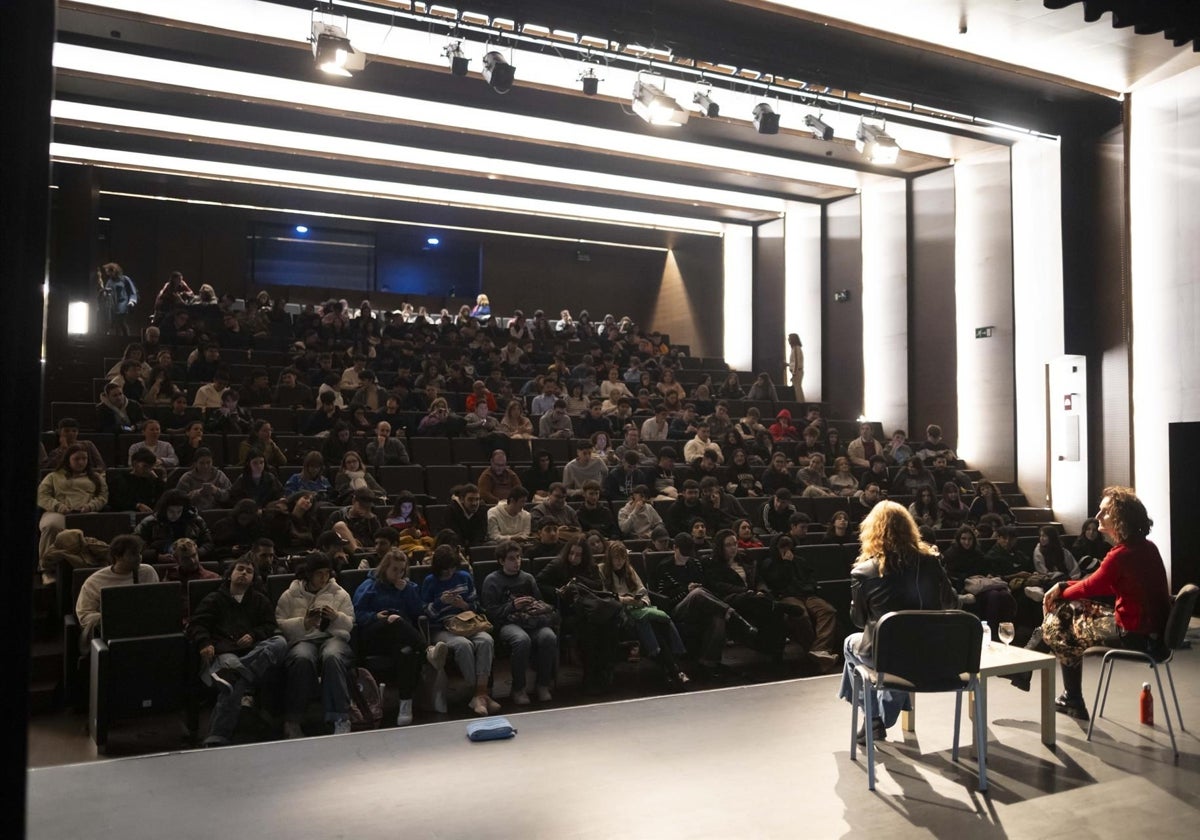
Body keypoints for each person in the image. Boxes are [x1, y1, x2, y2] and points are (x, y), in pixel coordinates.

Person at [1021, 487, 1171, 721]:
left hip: (1134, 633)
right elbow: (1104, 583)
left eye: (1105, 512)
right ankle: (1059, 685)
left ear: (1121, 517)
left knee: (1061, 624)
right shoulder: (1145, 548)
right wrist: (1062, 587)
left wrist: (1061, 590)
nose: (1098, 517)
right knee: (1066, 614)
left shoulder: (1121, 555)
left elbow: (1092, 586)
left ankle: (1057, 683)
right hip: (1150, 633)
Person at [837, 501, 958, 744]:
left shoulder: (862, 572)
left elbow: (859, 621)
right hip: (933, 655)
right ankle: (880, 716)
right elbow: (952, 604)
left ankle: (873, 718)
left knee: (851, 644)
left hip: (889, 656)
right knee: (903, 653)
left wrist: (858, 602)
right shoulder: (932, 561)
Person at [188, 555, 288, 746]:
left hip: (254, 650)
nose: (244, 573)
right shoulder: (214, 598)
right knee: (233, 679)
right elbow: (197, 625)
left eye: (249, 571)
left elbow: (269, 625)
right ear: (230, 575)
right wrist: (205, 643)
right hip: (225, 652)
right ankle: (218, 735)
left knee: (280, 642)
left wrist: (254, 634)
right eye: (240, 569)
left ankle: (232, 674)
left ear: (253, 579)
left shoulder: (259, 600)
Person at [352, 549, 437, 726]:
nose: (398, 574)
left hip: (401, 637)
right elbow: (357, 613)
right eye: (394, 570)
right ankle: (427, 649)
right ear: (385, 569)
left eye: (401, 570)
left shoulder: (408, 587)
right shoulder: (369, 586)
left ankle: (405, 704)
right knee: (394, 620)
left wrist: (407, 592)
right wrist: (376, 617)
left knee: (406, 652)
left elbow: (418, 613)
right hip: (374, 633)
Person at [275, 553, 356, 737]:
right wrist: (304, 623)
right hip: (303, 638)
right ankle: (294, 720)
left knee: (332, 656)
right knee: (301, 658)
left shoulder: (339, 593)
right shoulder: (290, 594)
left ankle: (341, 717)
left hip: (332, 636)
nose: (324, 578)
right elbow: (281, 623)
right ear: (309, 574)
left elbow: (350, 623)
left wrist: (336, 617)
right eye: (319, 573)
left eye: (327, 573)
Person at [421, 545, 499, 716]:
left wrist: (463, 605)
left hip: (467, 622)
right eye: (445, 571)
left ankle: (480, 694)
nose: (449, 573)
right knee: (463, 645)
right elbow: (426, 613)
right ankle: (479, 693)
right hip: (442, 626)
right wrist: (441, 602)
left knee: (486, 640)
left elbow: (476, 605)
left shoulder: (464, 577)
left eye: (452, 569)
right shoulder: (430, 581)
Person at [600, 541, 689, 688]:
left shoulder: (629, 570)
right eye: (616, 558)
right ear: (609, 558)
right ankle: (674, 670)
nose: (619, 562)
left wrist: (642, 603)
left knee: (655, 623)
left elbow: (643, 592)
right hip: (620, 614)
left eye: (622, 558)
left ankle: (671, 671)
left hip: (638, 610)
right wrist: (625, 600)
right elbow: (605, 597)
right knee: (648, 624)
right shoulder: (602, 570)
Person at [482, 540, 559, 704]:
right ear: (501, 561)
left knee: (549, 637)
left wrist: (535, 606)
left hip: (531, 620)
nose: (516, 562)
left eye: (518, 557)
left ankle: (543, 684)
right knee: (521, 640)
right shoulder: (492, 580)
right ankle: (518, 688)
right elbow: (490, 612)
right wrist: (512, 606)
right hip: (506, 623)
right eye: (511, 558)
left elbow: (541, 602)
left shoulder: (528, 578)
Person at [761, 534, 841, 672]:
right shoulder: (770, 563)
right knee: (801, 615)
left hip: (807, 595)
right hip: (786, 596)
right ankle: (815, 654)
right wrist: (786, 564)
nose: (786, 551)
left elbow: (810, 579)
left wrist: (810, 588)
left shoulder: (800, 561)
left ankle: (820, 650)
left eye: (789, 547)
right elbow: (776, 583)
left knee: (828, 610)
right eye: (783, 547)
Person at [704, 529, 786, 658]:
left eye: (735, 544)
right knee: (758, 601)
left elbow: (758, 579)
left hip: (754, 598)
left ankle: (775, 652)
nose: (733, 548)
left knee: (773, 612)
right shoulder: (713, 563)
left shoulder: (745, 560)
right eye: (728, 545)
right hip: (731, 599)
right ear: (720, 547)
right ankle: (776, 605)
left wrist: (761, 590)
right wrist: (746, 591)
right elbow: (718, 585)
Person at [74, 534, 160, 651]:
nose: (139, 558)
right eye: (133, 554)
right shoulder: (94, 582)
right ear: (117, 556)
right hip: (112, 633)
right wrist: (114, 618)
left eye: (139, 553)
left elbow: (157, 602)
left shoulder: (147, 572)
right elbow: (84, 615)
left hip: (144, 629)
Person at [37, 444, 109, 574]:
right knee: (51, 526)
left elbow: (102, 497)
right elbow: (42, 496)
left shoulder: (96, 477)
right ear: (68, 459)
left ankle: (96, 565)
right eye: (77, 459)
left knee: (100, 524)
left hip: (86, 511)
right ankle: (46, 568)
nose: (81, 462)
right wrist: (58, 506)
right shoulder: (54, 476)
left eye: (84, 459)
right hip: (58, 511)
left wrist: (91, 506)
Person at [942, 524, 1017, 636]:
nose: (967, 542)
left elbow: (985, 569)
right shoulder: (951, 554)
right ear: (958, 539)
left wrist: (988, 575)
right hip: (966, 587)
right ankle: (991, 632)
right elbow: (952, 575)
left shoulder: (977, 554)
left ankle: (1006, 631)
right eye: (963, 539)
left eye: (970, 539)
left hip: (981, 584)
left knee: (1004, 595)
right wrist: (970, 577)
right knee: (994, 596)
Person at [134, 489, 215, 562]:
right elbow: (134, 546)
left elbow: (208, 543)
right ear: (164, 509)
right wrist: (157, 556)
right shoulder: (150, 522)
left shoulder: (195, 521)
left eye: (179, 511)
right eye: (171, 511)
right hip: (158, 564)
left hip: (191, 563)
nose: (175, 515)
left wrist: (194, 554)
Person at [108, 448, 165, 513]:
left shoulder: (153, 481)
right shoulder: (121, 480)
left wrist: (157, 479)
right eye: (145, 466)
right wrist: (137, 505)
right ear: (135, 464)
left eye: (151, 467)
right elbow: (116, 502)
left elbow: (163, 498)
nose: (148, 470)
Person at [174, 447, 232, 511]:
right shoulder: (187, 478)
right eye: (202, 463)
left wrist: (216, 491)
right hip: (194, 512)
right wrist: (198, 493)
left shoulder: (219, 475)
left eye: (208, 462)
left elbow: (229, 495)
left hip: (216, 511)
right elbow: (179, 500)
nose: (205, 466)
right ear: (195, 463)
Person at [97, 262, 138, 335]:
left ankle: (126, 338)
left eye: (109, 272)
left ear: (114, 271)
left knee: (121, 321)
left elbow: (133, 291)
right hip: (113, 304)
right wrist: (104, 291)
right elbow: (106, 293)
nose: (108, 274)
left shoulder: (125, 279)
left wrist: (132, 301)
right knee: (115, 323)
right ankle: (117, 338)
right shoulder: (110, 281)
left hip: (122, 303)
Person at [787, 333, 805, 402]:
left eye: (789, 338)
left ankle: (800, 403)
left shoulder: (796, 348)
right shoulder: (796, 348)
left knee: (797, 389)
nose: (788, 340)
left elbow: (797, 361)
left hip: (797, 371)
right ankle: (800, 402)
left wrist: (794, 372)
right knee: (797, 388)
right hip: (797, 371)